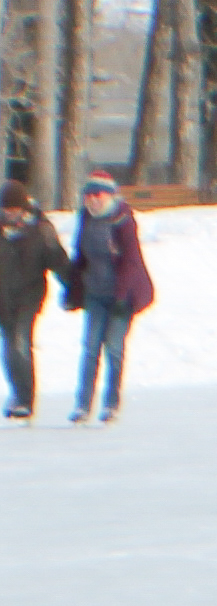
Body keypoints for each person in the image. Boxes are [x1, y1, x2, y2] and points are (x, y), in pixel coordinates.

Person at [65, 169, 155, 424]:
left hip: (122, 294)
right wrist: (73, 290)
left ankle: (111, 404)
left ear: (109, 195)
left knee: (114, 348)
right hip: (95, 292)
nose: (92, 200)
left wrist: (119, 297)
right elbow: (80, 257)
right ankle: (82, 405)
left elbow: (130, 261)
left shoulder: (122, 220)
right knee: (90, 348)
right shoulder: (85, 219)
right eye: (88, 195)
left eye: (97, 195)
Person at [0, 179, 73, 419]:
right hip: (2, 298)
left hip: (28, 296)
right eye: (5, 208)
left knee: (20, 343)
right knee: (10, 349)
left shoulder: (40, 228)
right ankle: (18, 394)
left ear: (23, 206)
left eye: (14, 208)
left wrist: (74, 287)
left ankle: (25, 400)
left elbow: (57, 259)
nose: (10, 213)